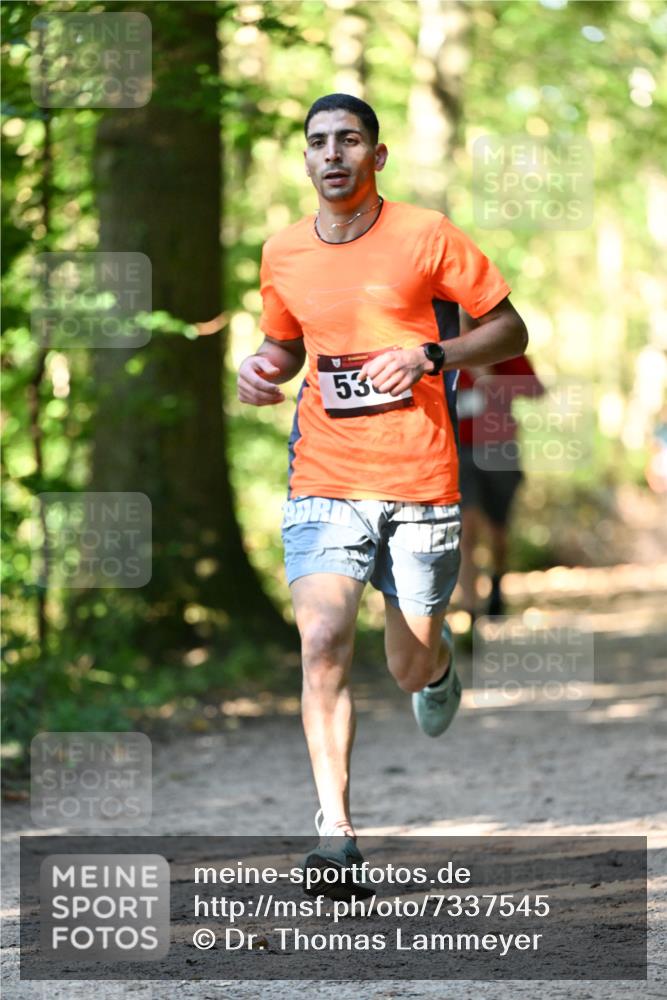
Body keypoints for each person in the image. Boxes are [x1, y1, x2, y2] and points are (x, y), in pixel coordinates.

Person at [237, 93, 528, 897]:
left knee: (405, 665)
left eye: (348, 140)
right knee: (322, 638)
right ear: (305, 157)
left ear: (377, 154)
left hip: (420, 480)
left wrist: (432, 354)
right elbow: (283, 344)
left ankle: (435, 668)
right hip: (323, 475)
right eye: (318, 142)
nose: (332, 154)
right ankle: (334, 835)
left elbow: (510, 329)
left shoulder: (425, 234)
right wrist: (260, 368)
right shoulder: (283, 251)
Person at [456, 347, 545, 622]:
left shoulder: (501, 343)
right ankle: (470, 609)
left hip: (498, 448)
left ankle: (496, 582)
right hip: (458, 450)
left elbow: (536, 390)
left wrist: (488, 375)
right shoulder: (440, 344)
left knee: (498, 530)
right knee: (465, 529)